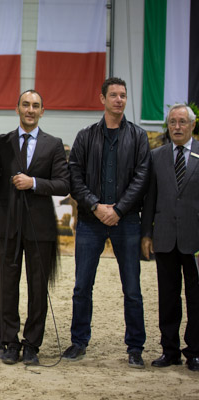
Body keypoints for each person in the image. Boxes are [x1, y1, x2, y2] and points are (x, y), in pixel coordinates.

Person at [0, 90, 69, 365]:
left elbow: (64, 184)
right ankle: (10, 342)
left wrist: (33, 183)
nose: (30, 110)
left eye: (35, 105)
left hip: (40, 228)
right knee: (7, 287)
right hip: (7, 226)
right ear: (17, 109)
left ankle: (32, 344)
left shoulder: (54, 145)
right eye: (25, 104)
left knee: (38, 288)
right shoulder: (4, 142)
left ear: (42, 111)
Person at [65, 77, 150, 368]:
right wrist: (95, 206)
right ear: (102, 99)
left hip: (127, 221)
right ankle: (79, 342)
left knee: (133, 289)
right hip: (91, 221)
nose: (119, 100)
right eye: (113, 95)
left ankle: (135, 347)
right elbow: (74, 177)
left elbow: (142, 177)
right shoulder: (85, 136)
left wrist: (120, 209)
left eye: (123, 95)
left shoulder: (138, 137)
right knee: (82, 286)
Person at [141, 104, 199, 372]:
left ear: (192, 125)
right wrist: (147, 233)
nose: (177, 127)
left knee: (196, 298)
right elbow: (149, 199)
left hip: (195, 241)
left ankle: (195, 351)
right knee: (168, 297)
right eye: (173, 122)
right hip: (164, 238)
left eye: (182, 122)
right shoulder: (156, 156)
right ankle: (170, 350)